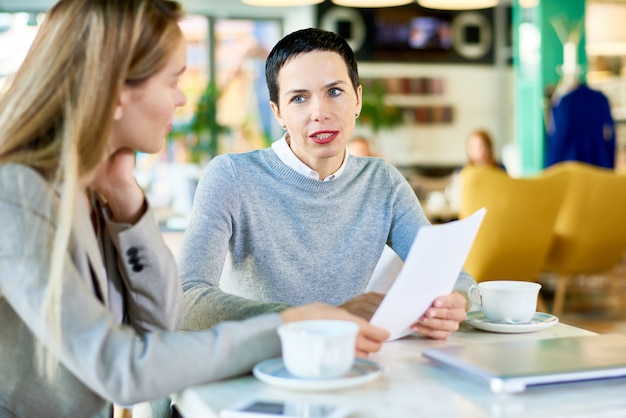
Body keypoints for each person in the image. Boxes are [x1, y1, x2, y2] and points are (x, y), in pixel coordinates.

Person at [0, 3, 388, 417]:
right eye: (172, 81)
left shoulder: (98, 190)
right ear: (114, 89)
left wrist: (127, 203)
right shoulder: (17, 192)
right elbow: (121, 369)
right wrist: (290, 326)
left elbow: (162, 324)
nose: (183, 99)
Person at [179, 27, 474, 341]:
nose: (319, 113)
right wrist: (314, 319)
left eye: (334, 92)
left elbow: (453, 278)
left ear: (357, 99)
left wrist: (454, 304)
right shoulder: (231, 176)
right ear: (278, 113)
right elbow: (187, 298)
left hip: (349, 365)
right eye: (299, 98)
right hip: (258, 365)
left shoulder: (381, 181)